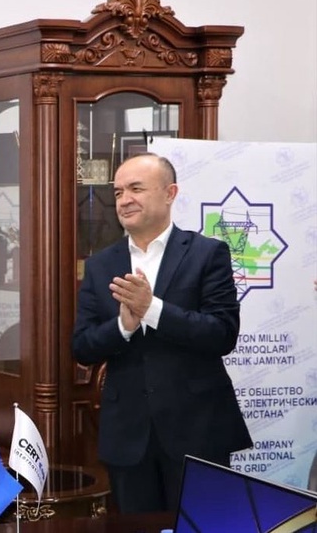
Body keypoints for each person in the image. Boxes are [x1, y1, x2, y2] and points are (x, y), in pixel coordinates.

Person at [72, 152, 251, 514]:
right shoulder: (101, 265)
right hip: (128, 436)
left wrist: (151, 309)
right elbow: (82, 347)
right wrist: (124, 326)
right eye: (118, 192)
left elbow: (222, 334)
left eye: (136, 189)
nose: (124, 199)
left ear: (170, 193)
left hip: (198, 431)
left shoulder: (207, 254)